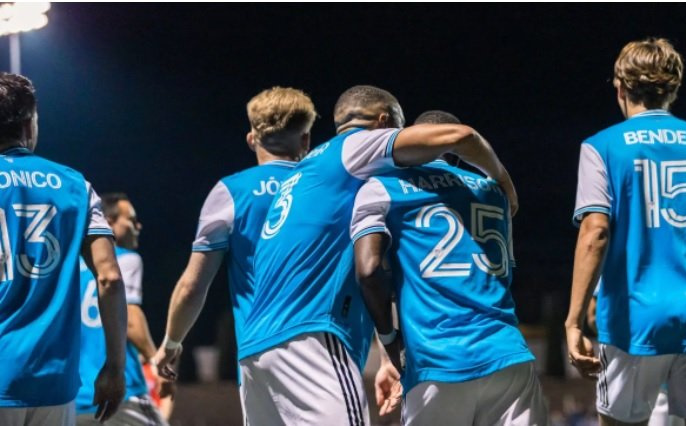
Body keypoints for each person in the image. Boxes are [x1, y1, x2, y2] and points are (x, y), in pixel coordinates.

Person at [230, 85, 517, 426]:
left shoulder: (309, 171)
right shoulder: (355, 146)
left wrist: (384, 354)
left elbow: (359, 268)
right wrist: (505, 186)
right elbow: (460, 136)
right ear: (384, 123)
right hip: (309, 336)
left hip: (254, 348)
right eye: (402, 128)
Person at [565, 38, 686, 425]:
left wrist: (573, 320)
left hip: (633, 320)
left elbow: (595, 233)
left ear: (620, 87)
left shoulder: (601, 147)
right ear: (674, 90)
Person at [351, 110, 547, 425]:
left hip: (435, 360)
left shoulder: (384, 187)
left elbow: (370, 270)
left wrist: (388, 344)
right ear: (454, 156)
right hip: (507, 354)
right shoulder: (494, 191)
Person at [153, 87, 317, 420]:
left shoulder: (229, 191)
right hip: (319, 344)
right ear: (306, 141)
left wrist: (171, 345)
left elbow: (193, 285)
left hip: (256, 353)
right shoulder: (328, 186)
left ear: (251, 138)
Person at [0, 73, 127, 425]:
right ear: (29, 124)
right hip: (53, 383)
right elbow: (110, 278)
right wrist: (115, 368)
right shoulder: (75, 185)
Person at [76, 193, 172, 425]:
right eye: (131, 220)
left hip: (74, 397)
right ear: (108, 222)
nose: (138, 226)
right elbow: (130, 320)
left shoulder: (71, 267)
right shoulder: (125, 259)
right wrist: (156, 360)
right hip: (120, 393)